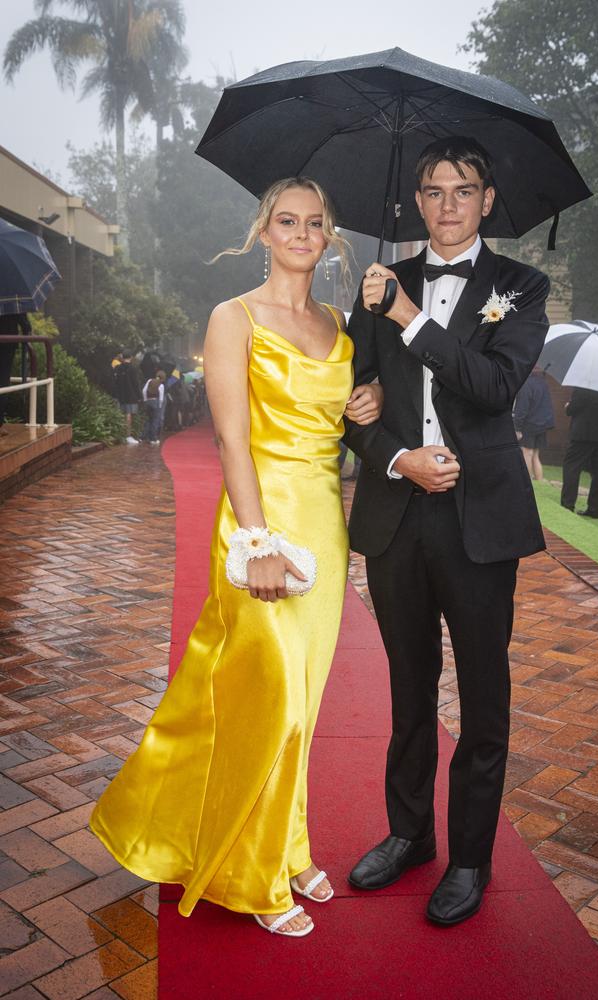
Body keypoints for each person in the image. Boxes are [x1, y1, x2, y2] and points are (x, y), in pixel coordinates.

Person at [89, 176, 383, 938]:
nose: (300, 233)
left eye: (315, 223)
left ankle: (289, 845)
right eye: (286, 220)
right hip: (260, 522)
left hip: (324, 521)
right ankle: (249, 873)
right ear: (261, 231)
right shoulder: (233, 317)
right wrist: (254, 542)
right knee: (270, 697)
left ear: (329, 238)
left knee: (303, 707)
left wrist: (366, 404)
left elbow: (347, 427)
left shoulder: (340, 324)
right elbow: (231, 439)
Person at [343, 136, 550, 926]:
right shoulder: (378, 284)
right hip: (398, 514)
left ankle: (469, 857)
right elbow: (352, 406)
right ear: (418, 202)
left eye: (464, 188)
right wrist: (396, 455)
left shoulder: (519, 287)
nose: (449, 203)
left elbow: (495, 386)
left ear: (487, 198)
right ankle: (409, 834)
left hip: (481, 522)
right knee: (407, 688)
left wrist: (408, 318)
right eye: (434, 190)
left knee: (485, 696)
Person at [560, 388, 598, 518]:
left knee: (571, 466)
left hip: (583, 432)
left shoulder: (585, 381)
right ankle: (595, 510)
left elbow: (574, 407)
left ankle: (568, 504)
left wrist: (568, 407)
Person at [513, 367, 555, 479]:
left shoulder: (526, 384)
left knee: (527, 452)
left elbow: (522, 408)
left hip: (530, 424)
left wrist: (517, 428)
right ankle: (539, 481)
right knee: (535, 455)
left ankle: (526, 479)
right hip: (542, 424)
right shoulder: (543, 383)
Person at [0, 312, 31, 435]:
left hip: (7, 345)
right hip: (6, 346)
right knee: (2, 381)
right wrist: (27, 328)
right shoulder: (12, 299)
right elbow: (25, 325)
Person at [114, 350, 141, 445]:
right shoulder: (133, 369)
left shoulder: (118, 368)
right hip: (131, 395)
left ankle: (122, 435)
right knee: (129, 415)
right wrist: (139, 395)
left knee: (122, 414)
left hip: (120, 394)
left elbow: (116, 381)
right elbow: (136, 383)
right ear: (131, 357)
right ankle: (128, 436)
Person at [141, 369, 166, 445]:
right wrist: (160, 406)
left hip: (148, 401)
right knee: (155, 421)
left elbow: (144, 390)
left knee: (148, 420)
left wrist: (145, 400)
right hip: (156, 402)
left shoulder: (149, 380)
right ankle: (153, 439)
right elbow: (161, 398)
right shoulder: (161, 385)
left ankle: (143, 437)